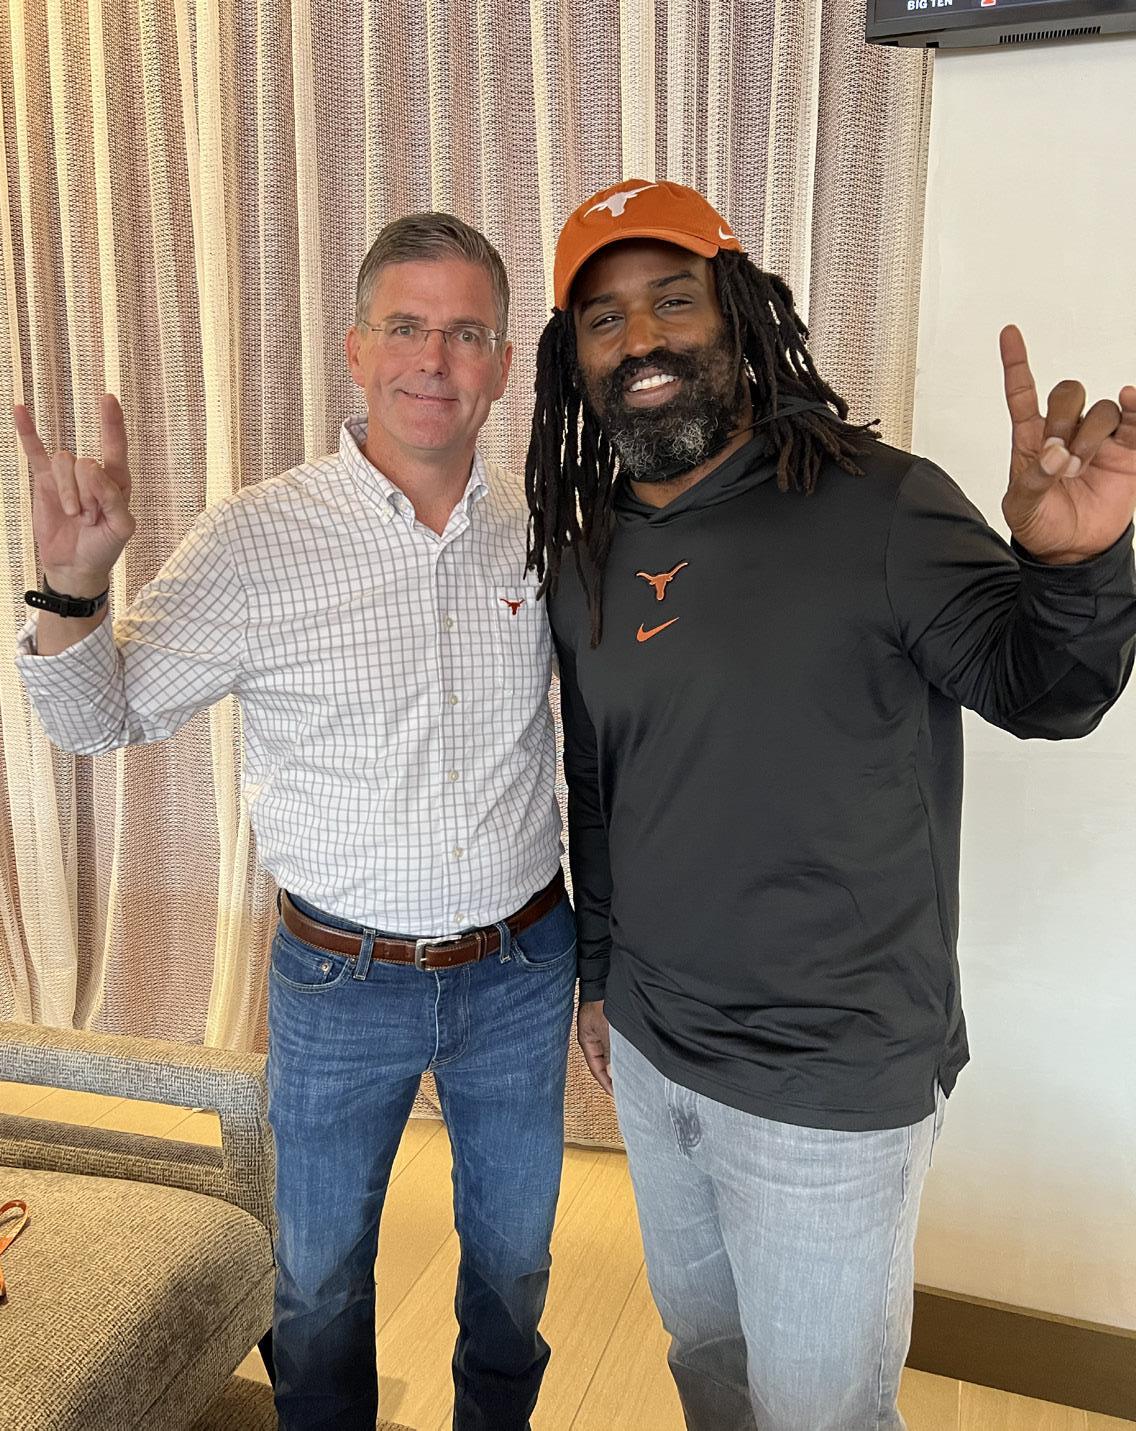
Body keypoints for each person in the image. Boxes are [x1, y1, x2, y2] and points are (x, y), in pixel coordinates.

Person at [524, 178, 1136, 1431]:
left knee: (820, 1413)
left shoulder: (879, 502)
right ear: (572, 359)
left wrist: (1072, 568)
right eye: (603, 318)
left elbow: (1045, 692)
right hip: (652, 1051)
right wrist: (597, 980)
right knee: (708, 1361)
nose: (639, 340)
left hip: (828, 1083)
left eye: (672, 300)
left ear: (739, 315)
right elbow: (597, 782)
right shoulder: (586, 545)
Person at [14, 213, 574, 1431]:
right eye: (405, 327)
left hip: (523, 967)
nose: (434, 358)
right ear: (354, 350)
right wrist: (72, 588)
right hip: (339, 980)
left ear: (500, 363)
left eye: (465, 333)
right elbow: (99, 719)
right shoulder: (257, 536)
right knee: (317, 1280)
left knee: (515, 1268)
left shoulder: (546, 523)